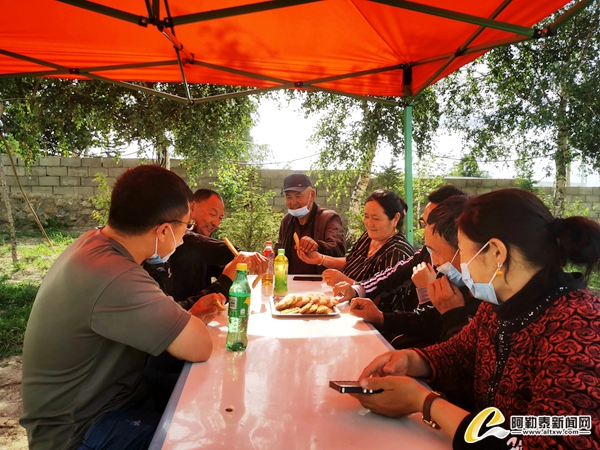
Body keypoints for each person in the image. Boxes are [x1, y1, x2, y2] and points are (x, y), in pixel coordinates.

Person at [351, 189, 600, 449]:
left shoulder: (581, 326)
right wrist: (412, 360)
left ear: (496, 253)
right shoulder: (498, 306)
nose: (458, 263)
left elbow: (556, 439)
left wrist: (426, 403)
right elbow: (459, 355)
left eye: (462, 250)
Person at [20, 165, 220, 450]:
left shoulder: (93, 243)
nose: (186, 235)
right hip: (80, 432)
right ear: (164, 231)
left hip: (100, 405)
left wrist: (190, 314)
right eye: (185, 227)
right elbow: (199, 346)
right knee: (207, 434)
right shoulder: (115, 274)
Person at [350, 195, 480, 348]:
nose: (435, 262)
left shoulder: (487, 295)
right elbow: (431, 318)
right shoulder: (449, 270)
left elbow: (459, 351)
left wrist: (429, 294)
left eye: (376, 218)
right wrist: (379, 315)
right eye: (424, 222)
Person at [334, 184, 467, 312]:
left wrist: (426, 291)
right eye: (423, 223)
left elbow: (434, 322)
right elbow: (394, 275)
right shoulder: (426, 252)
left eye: (430, 224)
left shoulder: (472, 280)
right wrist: (358, 290)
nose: (424, 232)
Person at [297, 190, 415, 313]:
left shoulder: (398, 252)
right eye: (366, 216)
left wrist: (346, 282)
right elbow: (351, 262)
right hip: (347, 307)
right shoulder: (369, 236)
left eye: (376, 218)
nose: (369, 223)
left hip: (373, 320)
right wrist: (320, 258)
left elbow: (381, 301)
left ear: (395, 218)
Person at [276, 173, 346, 274]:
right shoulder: (286, 221)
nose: (293, 202)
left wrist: (317, 246)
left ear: (312, 195)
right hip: (290, 281)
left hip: (321, 281)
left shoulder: (328, 218)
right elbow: (279, 250)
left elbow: (337, 249)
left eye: (298, 196)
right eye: (288, 197)